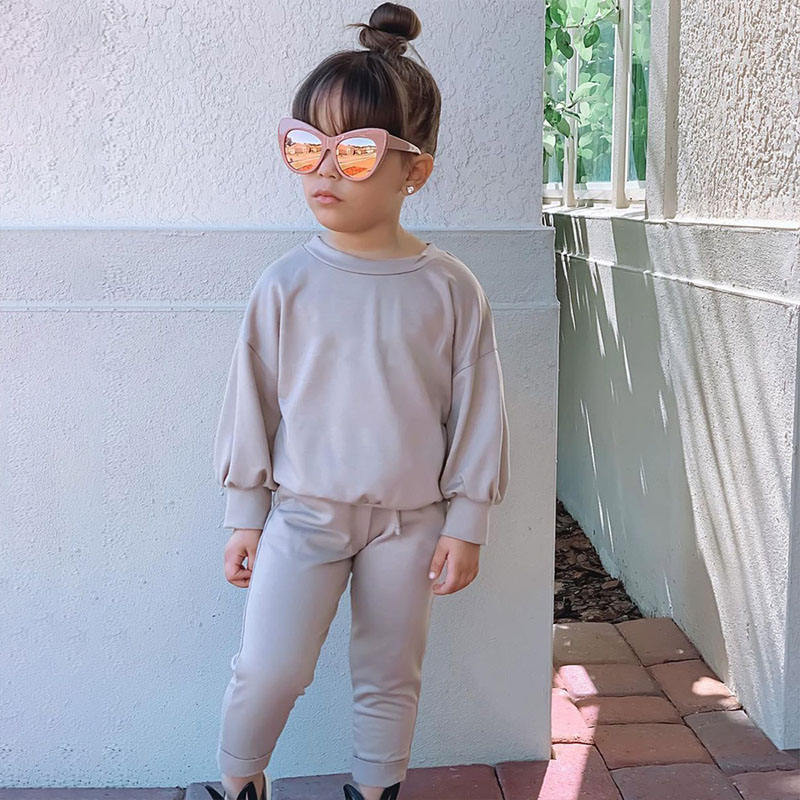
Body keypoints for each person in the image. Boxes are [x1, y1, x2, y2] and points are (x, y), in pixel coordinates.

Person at [205, 4, 510, 800]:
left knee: (390, 673)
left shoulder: (450, 289)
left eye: (356, 153)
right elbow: (252, 403)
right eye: (306, 147)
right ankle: (237, 785)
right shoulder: (285, 285)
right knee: (269, 668)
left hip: (411, 524)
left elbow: (478, 410)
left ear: (415, 169)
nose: (325, 172)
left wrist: (467, 522)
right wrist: (245, 515)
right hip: (303, 516)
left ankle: (376, 792)